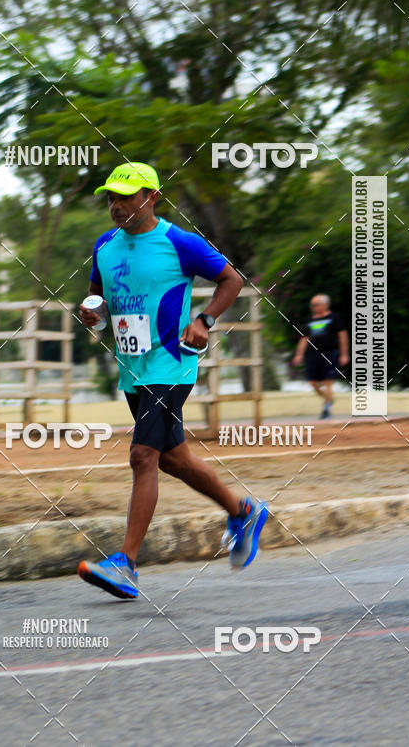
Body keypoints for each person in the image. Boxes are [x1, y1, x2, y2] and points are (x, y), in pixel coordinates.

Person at [77, 162, 268, 599]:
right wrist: (92, 313)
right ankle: (244, 511)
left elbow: (231, 279)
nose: (116, 205)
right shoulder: (104, 246)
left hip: (172, 362)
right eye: (111, 197)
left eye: (126, 196)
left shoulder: (179, 242)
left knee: (143, 455)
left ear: (152, 198)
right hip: (133, 367)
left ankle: (125, 563)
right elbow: (97, 297)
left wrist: (204, 319)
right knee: (171, 459)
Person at [292, 294, 349, 419]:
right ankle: (328, 399)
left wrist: (344, 354)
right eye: (312, 305)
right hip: (313, 355)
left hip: (331, 353)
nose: (313, 307)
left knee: (328, 381)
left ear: (325, 305)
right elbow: (304, 339)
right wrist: (299, 355)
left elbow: (343, 336)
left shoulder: (334, 318)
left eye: (315, 305)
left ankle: (326, 409)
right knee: (313, 383)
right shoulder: (311, 321)